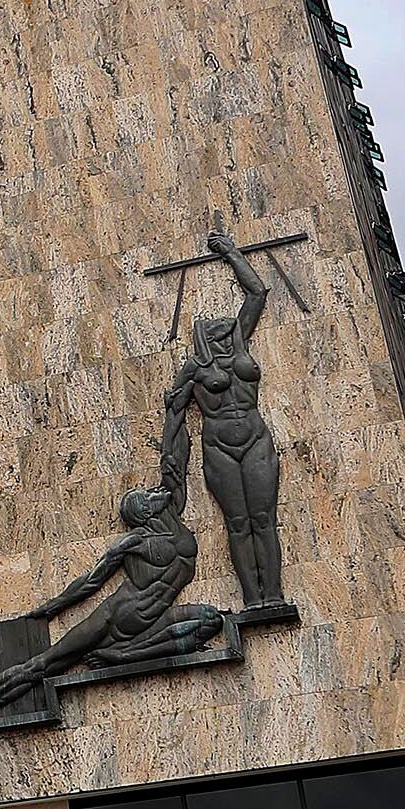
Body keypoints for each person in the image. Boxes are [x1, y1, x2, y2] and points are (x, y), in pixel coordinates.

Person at [0, 397, 227, 732]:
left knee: (210, 620)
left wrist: (176, 412)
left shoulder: (173, 516)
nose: (155, 491)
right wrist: (48, 609)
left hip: (150, 623)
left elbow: (174, 461)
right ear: (144, 512)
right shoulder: (135, 542)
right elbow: (91, 583)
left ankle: (125, 656)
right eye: (147, 495)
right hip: (114, 618)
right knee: (44, 664)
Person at [173, 230, 284, 610]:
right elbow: (174, 413)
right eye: (214, 334)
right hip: (218, 444)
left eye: (227, 331)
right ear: (203, 338)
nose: (222, 336)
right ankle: (253, 599)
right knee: (238, 523)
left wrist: (232, 254)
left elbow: (258, 294)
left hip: (254, 437)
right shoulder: (194, 368)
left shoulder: (242, 350)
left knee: (263, 518)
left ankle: (274, 594)